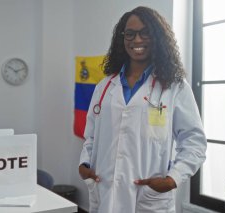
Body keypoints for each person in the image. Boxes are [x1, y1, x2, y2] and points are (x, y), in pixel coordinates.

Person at [78, 6, 207, 213]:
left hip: (148, 198)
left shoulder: (174, 86)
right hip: (104, 192)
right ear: (122, 39)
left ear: (157, 37)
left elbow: (195, 142)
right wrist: (84, 163)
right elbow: (91, 135)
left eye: (145, 32)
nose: (137, 40)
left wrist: (173, 178)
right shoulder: (105, 86)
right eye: (130, 34)